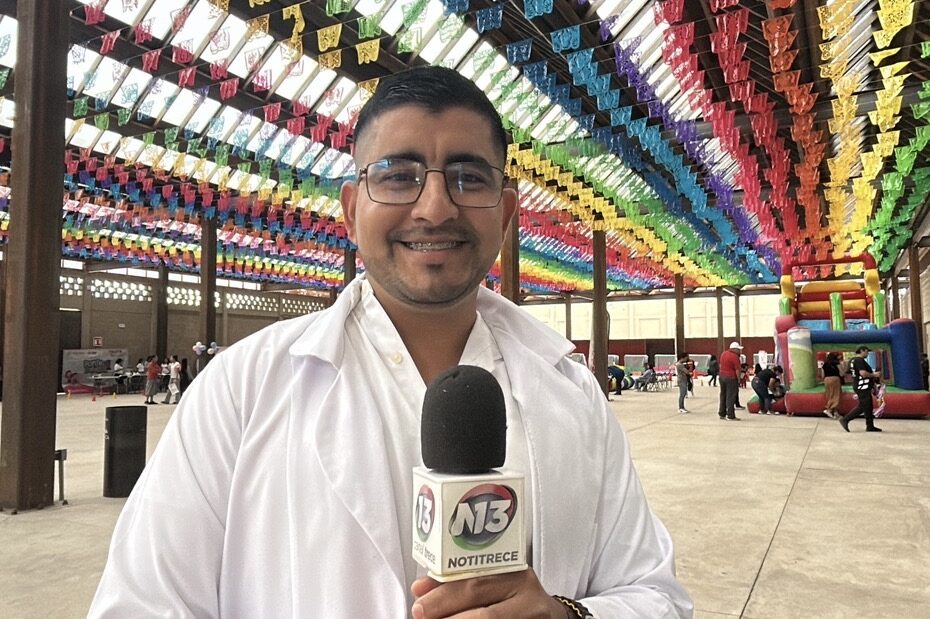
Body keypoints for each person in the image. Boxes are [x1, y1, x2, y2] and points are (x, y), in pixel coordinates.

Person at [89, 67, 692, 618]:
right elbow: (141, 605)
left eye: (468, 178)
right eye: (399, 176)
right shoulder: (243, 390)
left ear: (505, 213)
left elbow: (656, 595)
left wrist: (568, 616)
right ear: (352, 210)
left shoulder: (572, 392)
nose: (435, 207)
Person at [840, 346, 882, 433]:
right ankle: (846, 419)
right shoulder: (859, 360)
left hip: (859, 384)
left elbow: (848, 372)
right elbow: (863, 373)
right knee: (863, 406)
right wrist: (874, 375)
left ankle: (870, 426)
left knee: (868, 406)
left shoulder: (852, 360)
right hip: (863, 386)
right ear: (862, 351)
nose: (867, 353)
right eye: (866, 351)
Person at [718, 342, 742, 420]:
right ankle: (730, 415)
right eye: (738, 349)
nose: (739, 351)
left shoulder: (724, 354)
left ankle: (722, 413)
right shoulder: (735, 357)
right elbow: (737, 370)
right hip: (731, 378)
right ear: (735, 349)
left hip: (722, 376)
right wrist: (739, 380)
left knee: (723, 395)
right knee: (731, 396)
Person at [821, 352, 843, 419]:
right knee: (836, 395)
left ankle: (835, 412)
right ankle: (829, 410)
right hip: (835, 379)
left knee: (830, 395)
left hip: (826, 380)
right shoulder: (837, 363)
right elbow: (842, 373)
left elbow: (822, 375)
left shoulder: (824, 365)